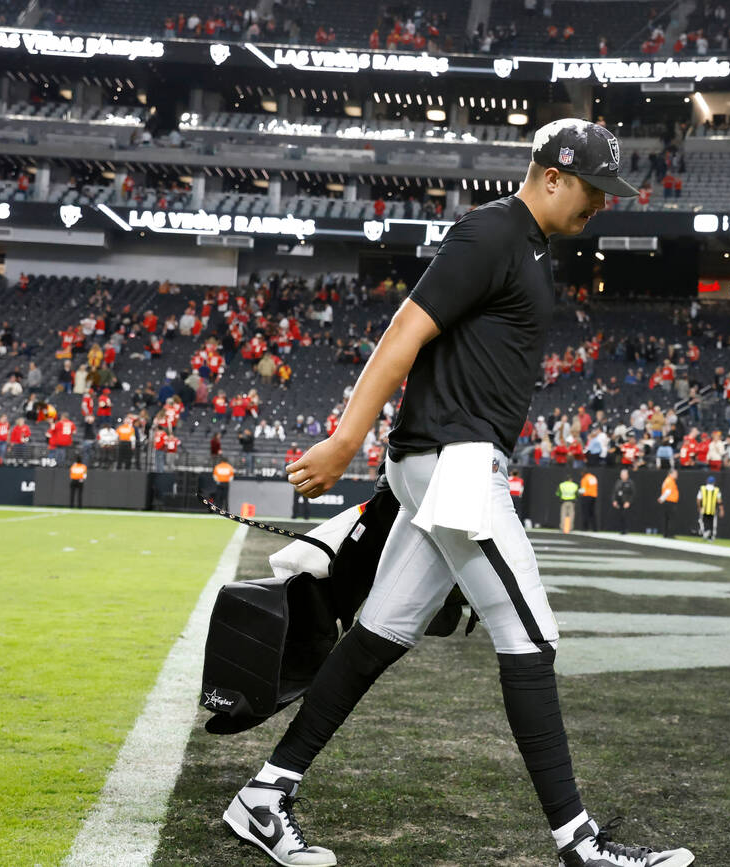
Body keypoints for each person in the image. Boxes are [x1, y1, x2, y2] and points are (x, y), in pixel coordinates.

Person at [238, 118, 690, 867]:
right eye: (591, 188)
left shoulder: (522, 243)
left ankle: (265, 793)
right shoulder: (493, 232)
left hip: (442, 463)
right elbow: (401, 335)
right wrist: (347, 439)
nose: (599, 205)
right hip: (454, 463)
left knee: (382, 629)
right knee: (532, 637)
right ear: (550, 175)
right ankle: (580, 844)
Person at [697, 475, 724, 540]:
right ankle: (711, 535)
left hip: (704, 509)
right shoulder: (716, 490)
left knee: (703, 521)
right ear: (714, 482)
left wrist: (699, 507)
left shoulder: (702, 488)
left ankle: (705, 532)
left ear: (707, 481)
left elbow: (698, 499)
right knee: (712, 523)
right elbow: (719, 501)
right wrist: (722, 510)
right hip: (713, 509)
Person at [611, 468, 634, 535]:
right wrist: (614, 500)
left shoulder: (630, 483)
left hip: (626, 502)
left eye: (624, 474)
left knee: (626, 516)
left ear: (627, 475)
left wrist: (628, 502)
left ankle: (626, 530)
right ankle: (621, 529)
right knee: (620, 516)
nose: (623, 476)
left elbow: (633, 493)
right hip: (619, 501)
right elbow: (614, 492)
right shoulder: (618, 482)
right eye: (622, 474)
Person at [658, 468, 679, 538]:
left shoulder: (667, 480)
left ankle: (665, 533)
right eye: (675, 473)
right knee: (671, 519)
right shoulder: (670, 481)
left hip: (667, 501)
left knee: (666, 518)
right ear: (671, 474)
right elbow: (667, 492)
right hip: (670, 501)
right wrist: (662, 499)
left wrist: (662, 499)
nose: (677, 475)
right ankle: (670, 534)